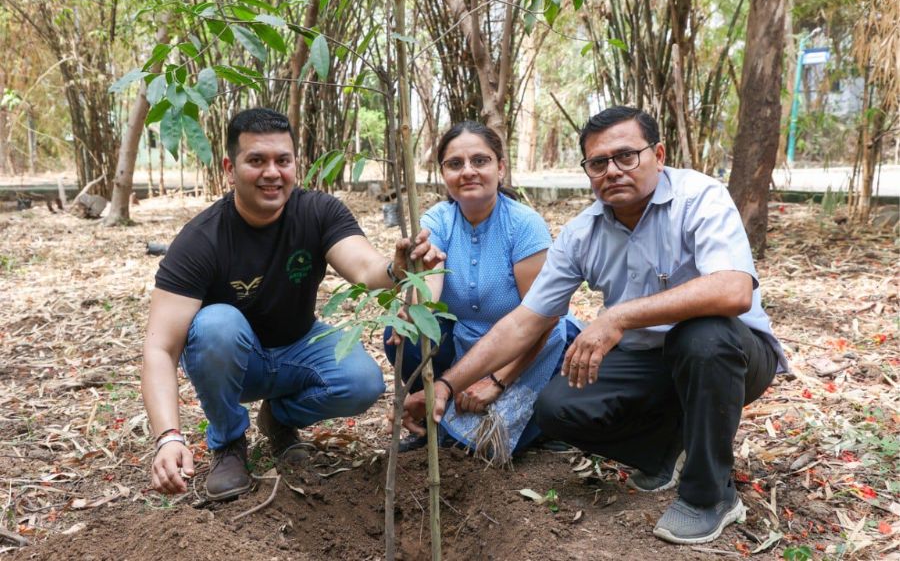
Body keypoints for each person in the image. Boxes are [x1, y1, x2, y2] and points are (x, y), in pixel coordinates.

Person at [414, 106, 786, 544]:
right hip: (648, 361)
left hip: (733, 356)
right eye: (598, 163)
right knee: (556, 408)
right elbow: (525, 322)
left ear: (658, 154)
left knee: (701, 336)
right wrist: (447, 386)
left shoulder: (698, 197)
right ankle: (668, 449)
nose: (613, 171)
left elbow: (733, 290)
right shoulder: (582, 232)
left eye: (627, 156)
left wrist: (619, 315)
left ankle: (710, 496)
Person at [142, 108, 444, 501]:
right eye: (257, 161)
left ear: (294, 164)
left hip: (298, 347)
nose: (272, 172)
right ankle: (229, 442)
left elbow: (366, 267)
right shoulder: (202, 239)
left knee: (363, 382)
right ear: (230, 168)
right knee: (217, 324)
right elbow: (159, 347)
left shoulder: (318, 211)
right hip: (234, 361)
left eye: (282, 160)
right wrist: (168, 436)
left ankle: (279, 418)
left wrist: (395, 268)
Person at [391, 121, 580, 462]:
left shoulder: (524, 225)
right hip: (465, 343)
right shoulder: (439, 219)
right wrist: (416, 307)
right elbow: (430, 289)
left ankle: (542, 424)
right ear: (443, 173)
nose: (468, 172)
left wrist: (497, 381)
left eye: (480, 161)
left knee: (481, 448)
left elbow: (545, 319)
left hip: (531, 346)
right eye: (455, 164)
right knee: (403, 331)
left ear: (500, 168)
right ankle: (431, 419)